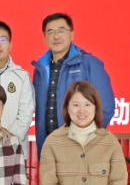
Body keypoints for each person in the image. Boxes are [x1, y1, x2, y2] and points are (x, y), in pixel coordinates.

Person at [31, 13, 115, 154]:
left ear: (72, 34)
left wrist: (86, 140)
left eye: (61, 31)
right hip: (48, 148)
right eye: (50, 32)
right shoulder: (40, 69)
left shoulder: (89, 64)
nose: (56, 36)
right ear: (44, 37)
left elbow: (106, 108)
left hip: (80, 149)